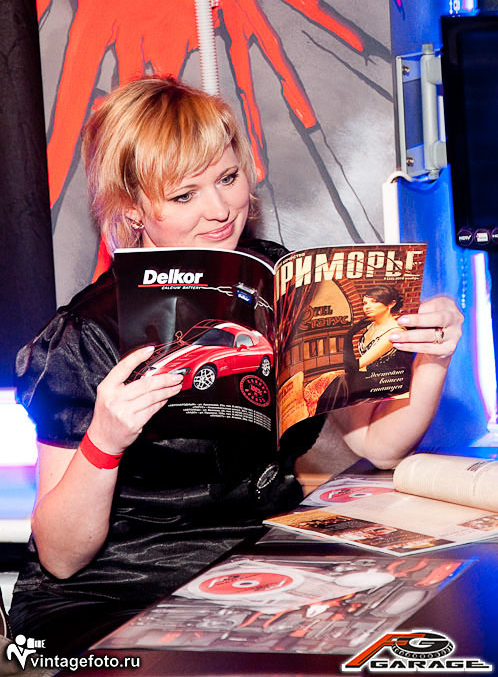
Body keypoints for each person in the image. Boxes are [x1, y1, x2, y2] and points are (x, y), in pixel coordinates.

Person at [9, 76, 463, 656]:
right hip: (115, 594)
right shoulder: (85, 335)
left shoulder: (281, 282)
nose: (220, 209)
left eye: (227, 178)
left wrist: (431, 359)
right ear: (133, 209)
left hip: (260, 569)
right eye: (184, 195)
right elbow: (61, 557)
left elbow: (378, 445)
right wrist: (105, 440)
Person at [316, 284, 413, 411]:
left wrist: (349, 336)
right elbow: (353, 369)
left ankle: (322, 419)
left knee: (343, 381)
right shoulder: (370, 326)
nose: (367, 306)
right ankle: (324, 417)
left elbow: (352, 368)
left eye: (374, 301)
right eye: (365, 303)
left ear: (391, 304)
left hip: (392, 381)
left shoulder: (394, 332)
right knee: (342, 382)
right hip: (373, 377)